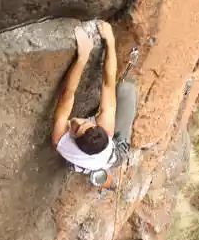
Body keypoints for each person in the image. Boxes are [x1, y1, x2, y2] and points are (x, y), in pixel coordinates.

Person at [51, 21, 137, 174]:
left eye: (76, 128)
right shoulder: (106, 127)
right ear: (97, 126)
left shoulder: (60, 139)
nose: (77, 120)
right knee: (127, 90)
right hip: (111, 153)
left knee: (72, 165)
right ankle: (91, 167)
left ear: (74, 141)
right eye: (85, 122)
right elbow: (107, 83)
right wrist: (110, 41)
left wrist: (82, 57)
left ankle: (88, 168)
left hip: (102, 160)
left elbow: (67, 94)